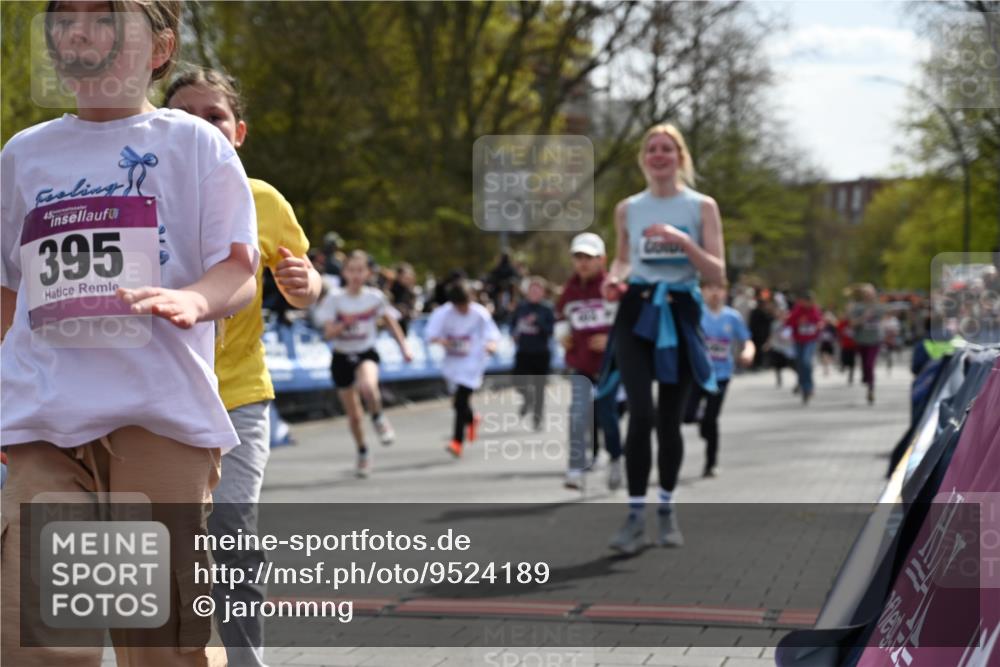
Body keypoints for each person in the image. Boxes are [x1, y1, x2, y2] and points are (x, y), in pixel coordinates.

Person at [1, 3, 258, 665]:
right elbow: (9, 290)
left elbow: (237, 269)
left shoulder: (193, 144)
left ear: (159, 47)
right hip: (46, 426)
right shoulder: (23, 155)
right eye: (65, 18)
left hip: (157, 416)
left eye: (107, 15)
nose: (81, 29)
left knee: (161, 643)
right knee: (44, 637)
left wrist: (190, 300)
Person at [165, 66, 323, 667]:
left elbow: (305, 287)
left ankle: (247, 660)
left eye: (216, 117)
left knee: (232, 532)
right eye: (186, 117)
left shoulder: (263, 201)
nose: (202, 128)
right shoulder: (138, 198)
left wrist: (305, 284)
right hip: (161, 397)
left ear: (238, 132)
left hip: (239, 395)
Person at [600, 124, 725, 554]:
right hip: (637, 311)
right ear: (643, 158)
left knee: (670, 418)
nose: (658, 155)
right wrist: (613, 281)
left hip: (680, 310)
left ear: (680, 157)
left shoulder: (701, 206)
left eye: (666, 148)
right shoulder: (628, 208)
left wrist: (682, 242)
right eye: (651, 148)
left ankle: (666, 509)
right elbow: (621, 259)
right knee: (640, 413)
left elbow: (718, 273)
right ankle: (635, 515)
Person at [315, 251, 413, 477]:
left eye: (361, 271)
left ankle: (378, 417)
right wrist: (343, 325)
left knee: (368, 387)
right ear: (344, 272)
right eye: (352, 270)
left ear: (368, 273)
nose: (357, 275)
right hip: (341, 356)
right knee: (355, 416)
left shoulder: (375, 297)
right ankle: (363, 452)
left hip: (365, 352)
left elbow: (391, 322)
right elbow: (328, 334)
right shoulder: (335, 299)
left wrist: (404, 347)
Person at [556, 233, 624, 491]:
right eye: (578, 257)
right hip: (581, 365)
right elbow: (560, 317)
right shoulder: (569, 290)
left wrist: (610, 340)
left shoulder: (612, 288)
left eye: (589, 257)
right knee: (577, 413)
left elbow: (628, 324)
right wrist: (562, 335)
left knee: (607, 415)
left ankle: (617, 459)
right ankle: (575, 469)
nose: (583, 263)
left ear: (602, 260)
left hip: (610, 366)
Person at [425, 283, 501, 457]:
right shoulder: (443, 314)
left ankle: (457, 442)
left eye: (466, 304)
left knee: (460, 401)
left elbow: (493, 335)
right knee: (458, 402)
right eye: (459, 306)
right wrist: (444, 342)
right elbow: (431, 335)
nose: (463, 309)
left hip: (473, 361)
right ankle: (472, 418)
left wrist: (491, 345)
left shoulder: (479, 313)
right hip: (452, 361)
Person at [691, 281, 754, 478]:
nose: (715, 293)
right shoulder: (696, 312)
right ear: (702, 291)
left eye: (718, 289)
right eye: (710, 288)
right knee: (687, 415)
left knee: (712, 419)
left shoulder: (732, 317)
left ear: (725, 293)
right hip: (697, 373)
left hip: (721, 375)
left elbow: (747, 340)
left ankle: (711, 463)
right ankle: (699, 420)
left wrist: (748, 353)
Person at [511, 276, 555, 431]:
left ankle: (538, 418)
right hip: (523, 351)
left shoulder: (547, 308)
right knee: (518, 382)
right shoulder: (521, 307)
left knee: (539, 388)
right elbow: (513, 324)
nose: (535, 293)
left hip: (541, 353)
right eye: (532, 290)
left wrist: (537, 321)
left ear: (543, 292)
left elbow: (551, 330)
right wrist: (513, 334)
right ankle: (527, 399)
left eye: (538, 290)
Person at [785, 291, 823, 404]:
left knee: (806, 361)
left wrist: (819, 325)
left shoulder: (815, 310)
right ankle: (802, 383)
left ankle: (808, 387)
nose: (807, 304)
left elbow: (819, 322)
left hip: (810, 340)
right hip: (798, 340)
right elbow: (789, 322)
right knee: (800, 363)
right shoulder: (797, 309)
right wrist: (797, 321)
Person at [850, 283, 883, 405]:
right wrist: (863, 317)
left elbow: (884, 320)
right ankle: (867, 378)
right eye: (866, 294)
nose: (868, 296)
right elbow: (853, 323)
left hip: (875, 340)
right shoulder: (857, 307)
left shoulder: (879, 307)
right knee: (865, 364)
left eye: (870, 293)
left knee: (870, 363)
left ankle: (871, 388)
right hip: (862, 339)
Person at [748, 290, 774, 370]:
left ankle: (758, 364)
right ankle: (757, 364)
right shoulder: (759, 312)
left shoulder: (756, 312)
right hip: (759, 334)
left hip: (758, 334)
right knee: (758, 350)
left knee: (760, 350)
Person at [837, 309, 858, 385]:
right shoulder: (842, 324)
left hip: (853, 346)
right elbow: (838, 331)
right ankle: (843, 366)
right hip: (845, 345)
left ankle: (851, 375)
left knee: (852, 362)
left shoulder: (854, 324)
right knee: (844, 358)